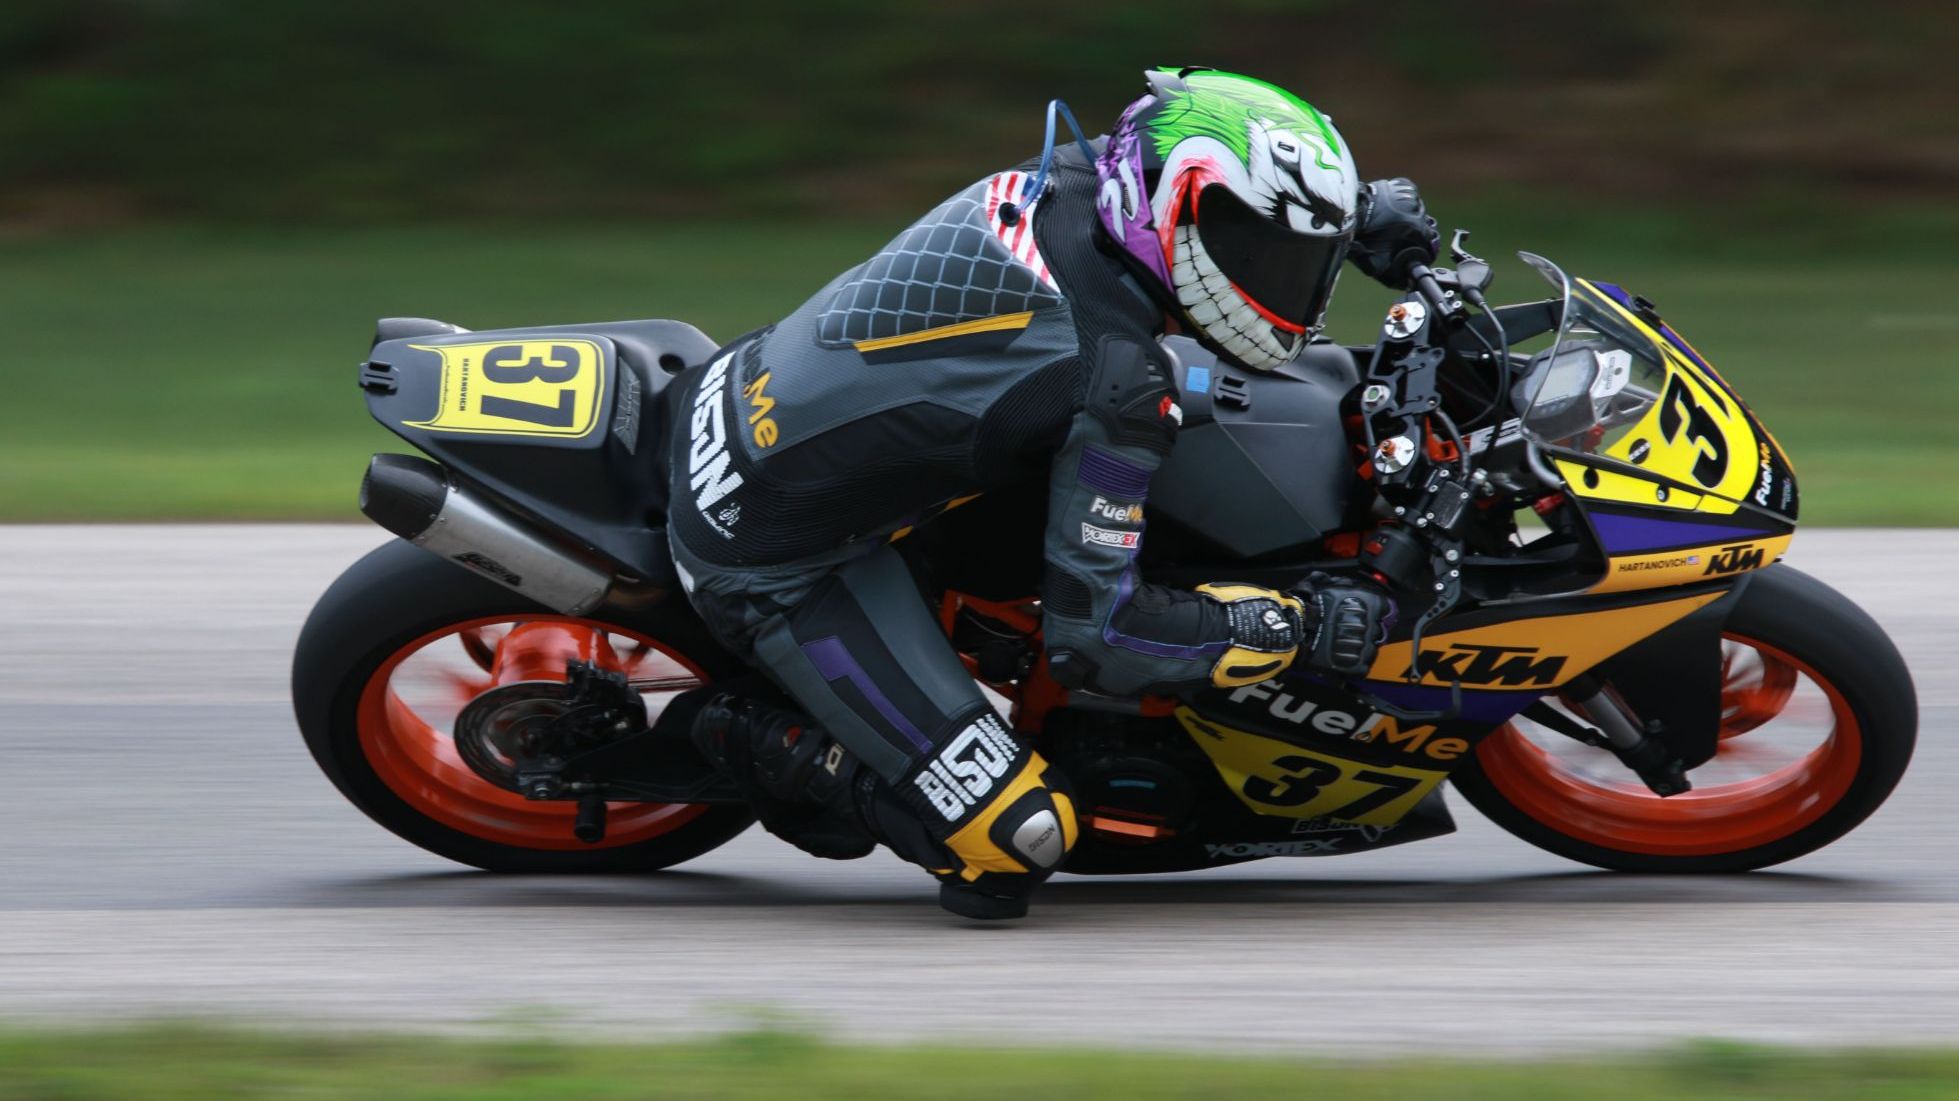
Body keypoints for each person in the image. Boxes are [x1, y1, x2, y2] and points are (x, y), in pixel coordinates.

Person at [664, 66, 1436, 919]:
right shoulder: (1115, 380)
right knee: (1020, 839)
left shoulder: (1086, 177)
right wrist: (1294, 624)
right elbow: (1099, 639)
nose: (1283, 284)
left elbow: (1195, 159)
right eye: (1262, 257)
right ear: (1176, 210)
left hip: (762, 397)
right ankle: (747, 734)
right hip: (775, 550)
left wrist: (1355, 216)